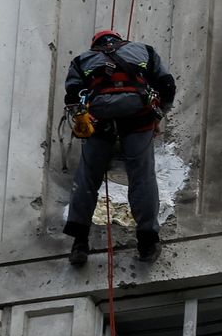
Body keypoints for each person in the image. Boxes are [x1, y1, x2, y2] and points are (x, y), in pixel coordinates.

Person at [63, 30, 176, 265]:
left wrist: (82, 117)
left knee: (87, 178)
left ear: (95, 43)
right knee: (142, 177)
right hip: (138, 116)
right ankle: (147, 241)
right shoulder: (145, 50)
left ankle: (79, 243)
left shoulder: (82, 59)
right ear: (119, 39)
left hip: (101, 120)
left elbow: (72, 96)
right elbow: (167, 84)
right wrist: (159, 115)